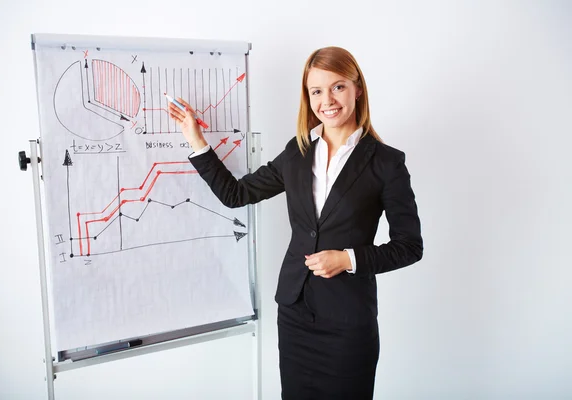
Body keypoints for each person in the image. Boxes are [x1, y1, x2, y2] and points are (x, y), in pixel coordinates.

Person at [168, 46, 423, 400]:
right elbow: (236, 195)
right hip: (295, 314)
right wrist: (196, 140)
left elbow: (410, 246)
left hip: (347, 322)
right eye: (316, 91)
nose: (327, 100)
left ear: (357, 88)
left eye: (337, 87)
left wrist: (348, 259)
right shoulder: (298, 152)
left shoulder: (386, 163)